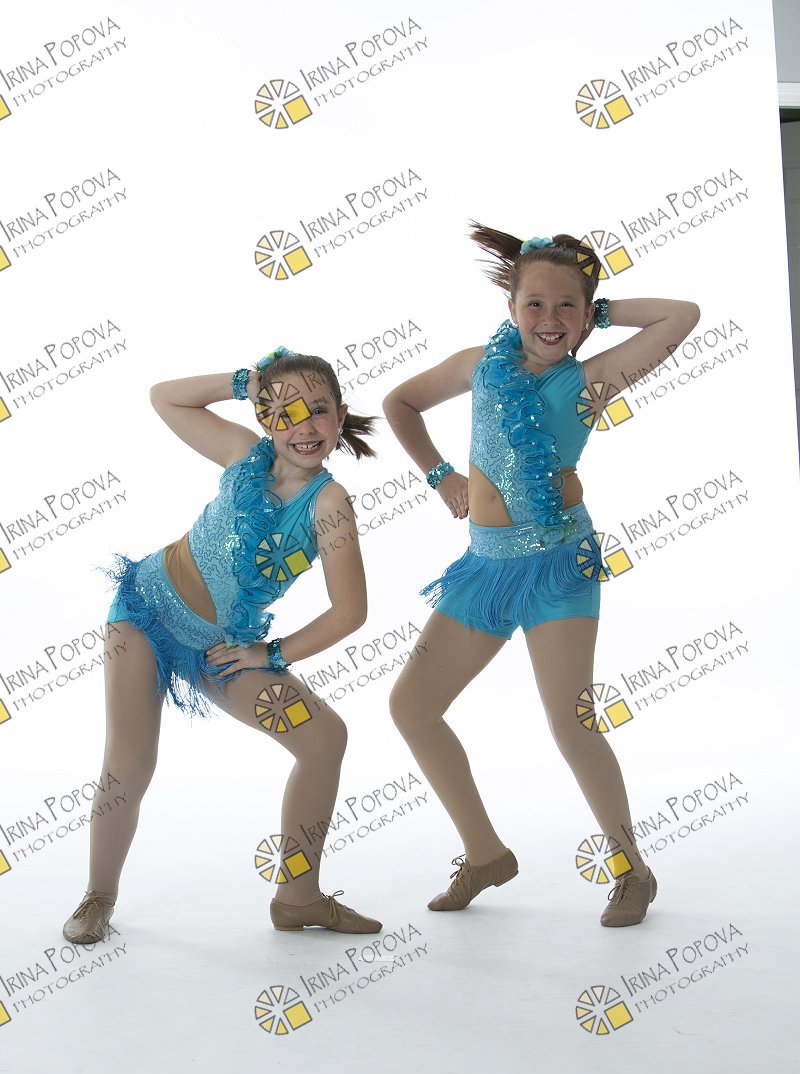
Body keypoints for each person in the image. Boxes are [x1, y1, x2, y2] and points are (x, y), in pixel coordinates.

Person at [383, 225, 700, 926]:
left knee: (570, 721)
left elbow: (682, 315)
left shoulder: (589, 380)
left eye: (567, 307)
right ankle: (485, 853)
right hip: (486, 567)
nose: (549, 319)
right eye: (535, 304)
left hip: (559, 565)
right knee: (411, 707)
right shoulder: (478, 366)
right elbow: (399, 404)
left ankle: (632, 869)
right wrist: (440, 477)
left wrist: (600, 310)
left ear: (586, 316)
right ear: (510, 308)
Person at [63, 349, 383, 943]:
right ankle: (98, 894)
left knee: (324, 739)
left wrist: (273, 653)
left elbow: (350, 612)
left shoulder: (329, 504)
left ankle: (298, 897)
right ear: (264, 418)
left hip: (221, 649)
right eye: (284, 411)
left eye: (318, 410)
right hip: (145, 614)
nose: (304, 425)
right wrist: (242, 382)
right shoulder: (241, 453)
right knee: (129, 762)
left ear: (340, 416)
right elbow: (164, 396)